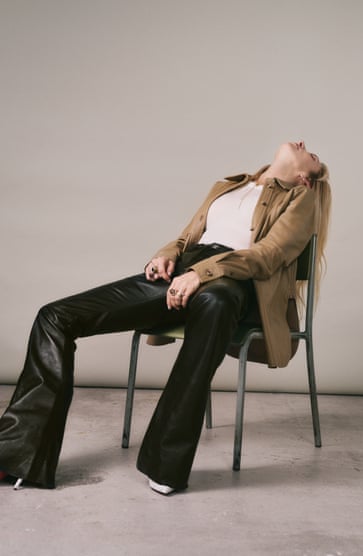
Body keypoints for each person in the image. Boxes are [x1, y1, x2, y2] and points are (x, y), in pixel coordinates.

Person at [0, 141, 331, 494]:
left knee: (216, 305)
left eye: (312, 155)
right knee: (55, 316)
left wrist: (201, 275)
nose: (304, 146)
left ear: (304, 178)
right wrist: (164, 256)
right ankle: (18, 455)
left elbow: (268, 255)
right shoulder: (228, 186)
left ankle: (166, 464)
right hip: (188, 270)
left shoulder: (301, 199)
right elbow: (187, 238)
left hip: (237, 281)